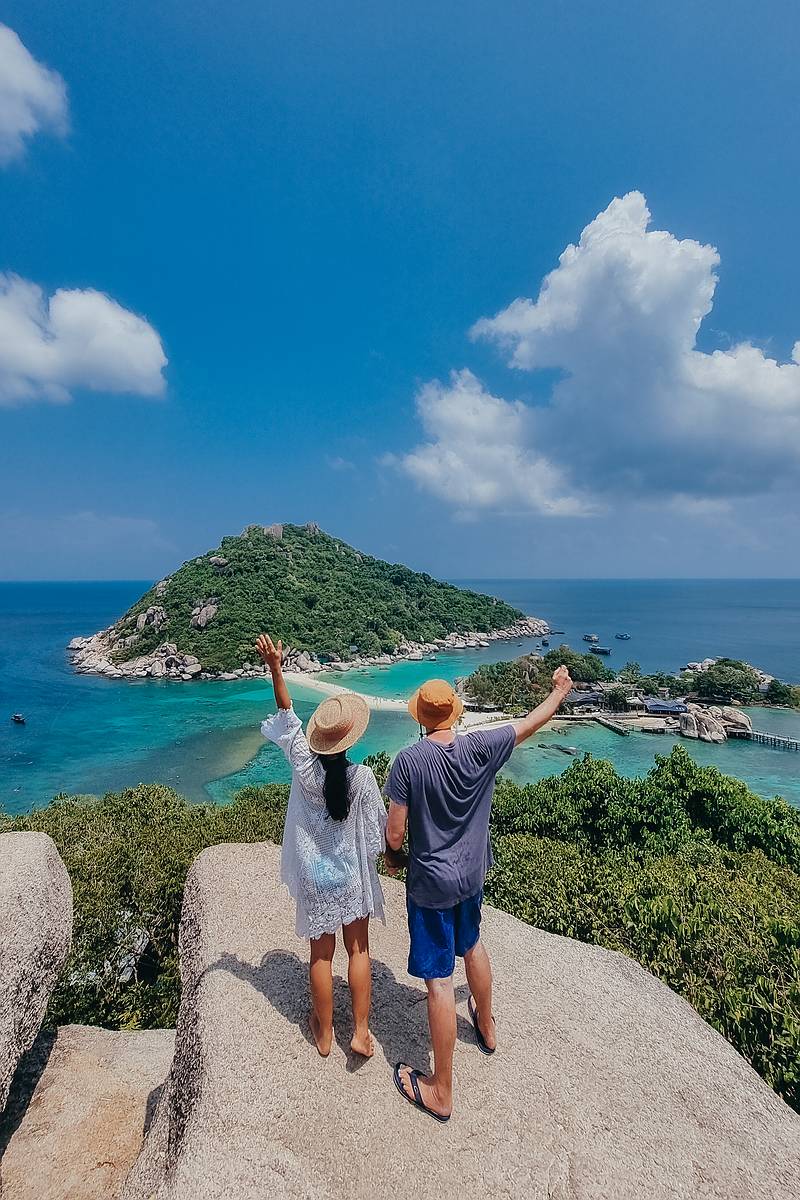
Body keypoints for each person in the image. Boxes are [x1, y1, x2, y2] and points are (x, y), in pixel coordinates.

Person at [384, 665, 573, 1121]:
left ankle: (442, 1090)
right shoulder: (481, 746)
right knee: (472, 945)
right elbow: (531, 721)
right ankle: (486, 1027)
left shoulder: (409, 762)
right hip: (472, 876)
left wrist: (394, 860)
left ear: (421, 719)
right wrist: (560, 692)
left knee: (439, 981)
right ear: (455, 713)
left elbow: (394, 834)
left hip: (430, 885)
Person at [256, 633, 387, 1059]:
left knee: (321, 955)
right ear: (350, 738)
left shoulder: (303, 767)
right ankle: (361, 1032)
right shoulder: (363, 778)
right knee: (359, 949)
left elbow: (286, 712)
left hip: (315, 877)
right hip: (349, 876)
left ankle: (325, 1032)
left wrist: (276, 666)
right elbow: (373, 837)